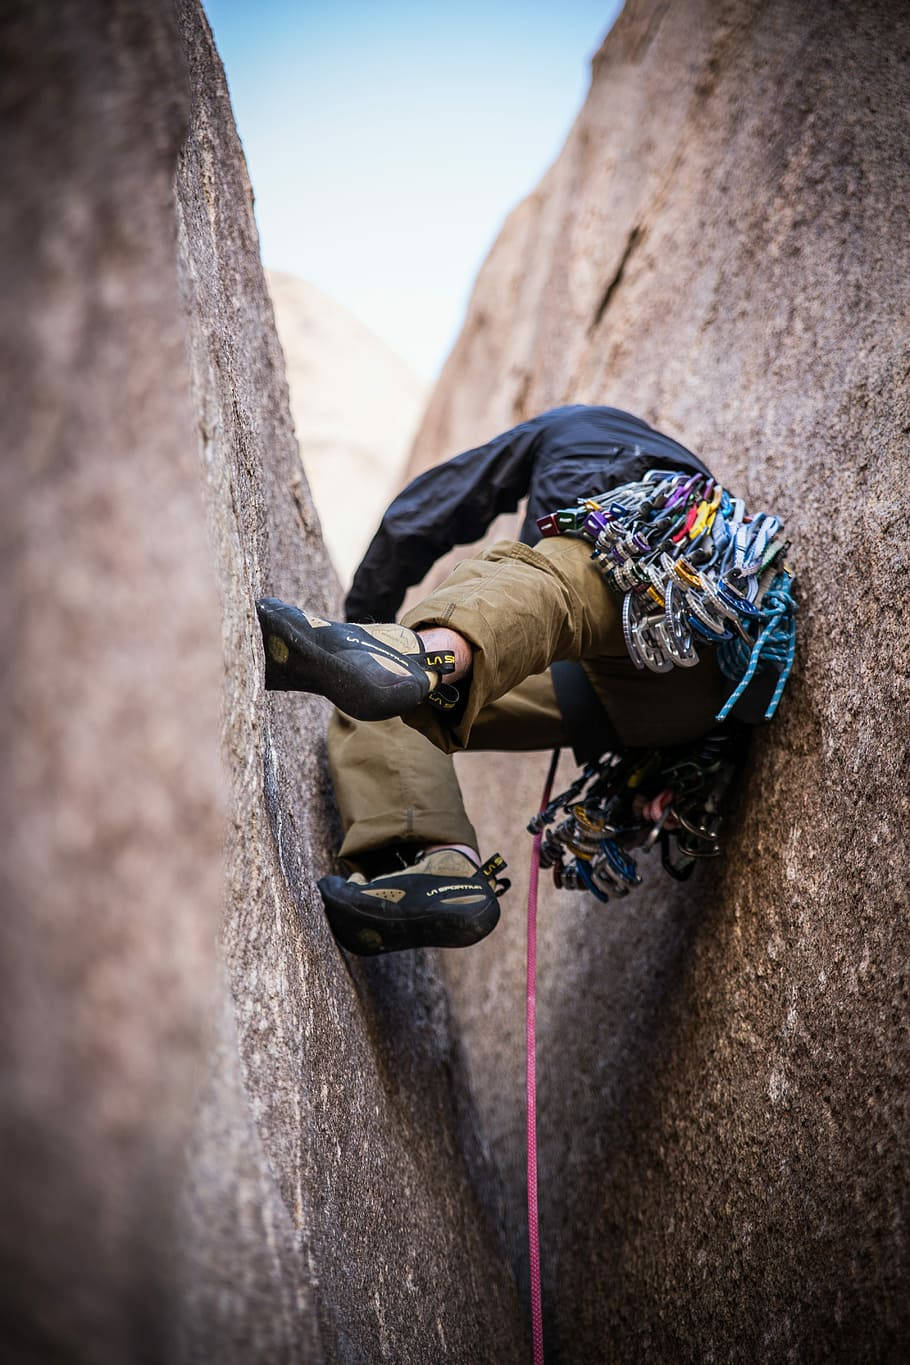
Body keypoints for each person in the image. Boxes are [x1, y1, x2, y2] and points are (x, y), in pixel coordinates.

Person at [256, 405, 732, 956]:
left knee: (560, 572)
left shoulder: (577, 428)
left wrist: (364, 619)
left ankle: (416, 654)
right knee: (378, 709)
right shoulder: (693, 483)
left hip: (674, 607)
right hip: (676, 707)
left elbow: (424, 515)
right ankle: (444, 868)